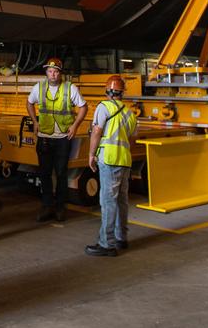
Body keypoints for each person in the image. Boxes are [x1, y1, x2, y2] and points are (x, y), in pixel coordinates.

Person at [25, 57, 87, 222]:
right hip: (44, 137)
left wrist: (75, 126)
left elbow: (83, 107)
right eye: (50, 71)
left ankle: (60, 207)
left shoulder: (70, 88)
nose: (52, 74)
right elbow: (29, 103)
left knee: (61, 173)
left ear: (60, 73)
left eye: (55, 72)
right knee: (44, 173)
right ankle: (47, 206)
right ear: (46, 72)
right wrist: (35, 122)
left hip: (62, 138)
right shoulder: (39, 88)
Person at [85, 75, 138, 256]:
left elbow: (96, 131)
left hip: (109, 159)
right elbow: (132, 140)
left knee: (108, 202)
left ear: (107, 91)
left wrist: (91, 154)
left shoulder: (103, 107)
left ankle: (107, 244)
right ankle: (121, 238)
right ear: (122, 93)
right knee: (122, 201)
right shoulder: (130, 114)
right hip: (125, 160)